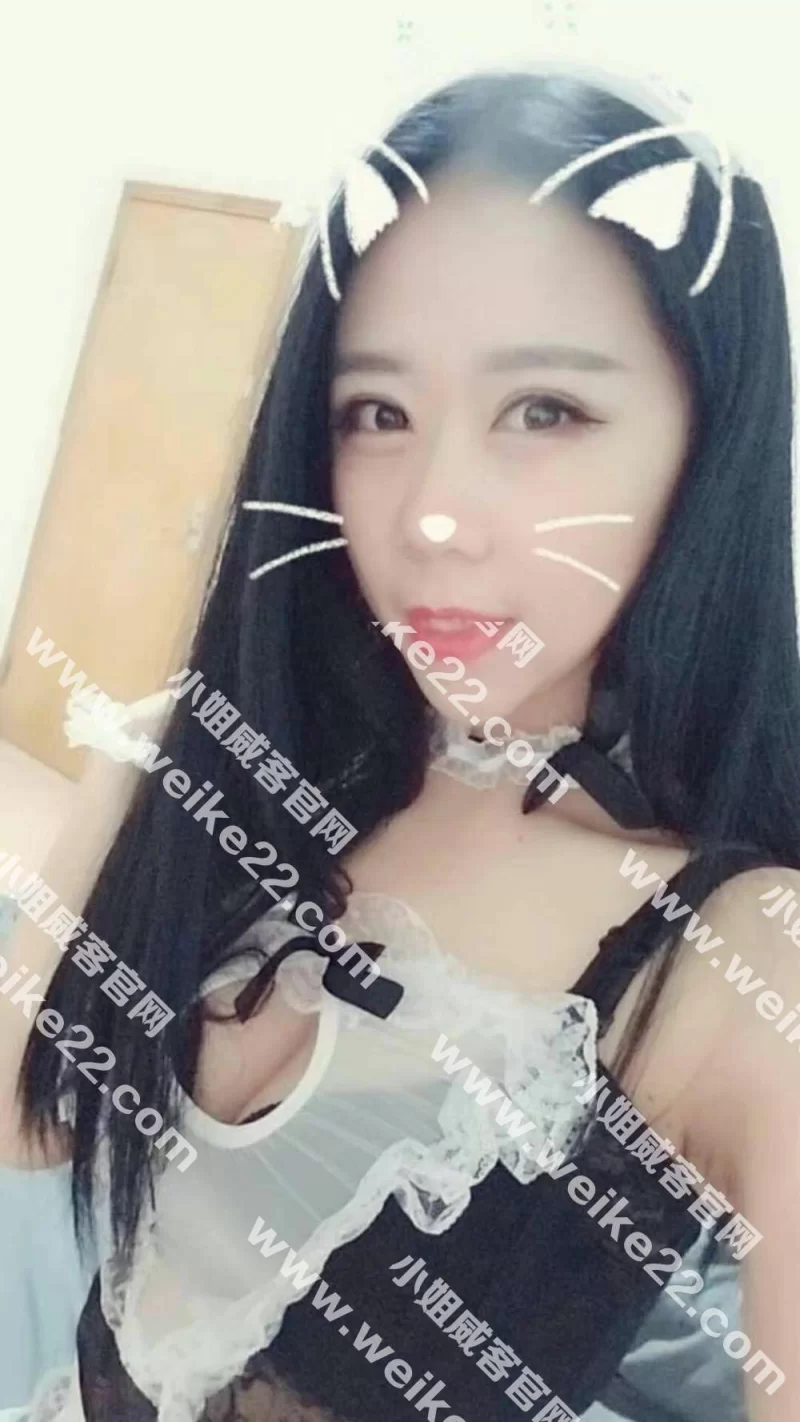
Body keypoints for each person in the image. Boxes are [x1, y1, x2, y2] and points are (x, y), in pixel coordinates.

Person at [1, 63, 799, 1422]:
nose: (433, 515)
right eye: (377, 412)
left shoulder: (737, 960)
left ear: (705, 443)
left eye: (544, 411)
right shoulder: (204, 759)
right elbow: (34, 1114)